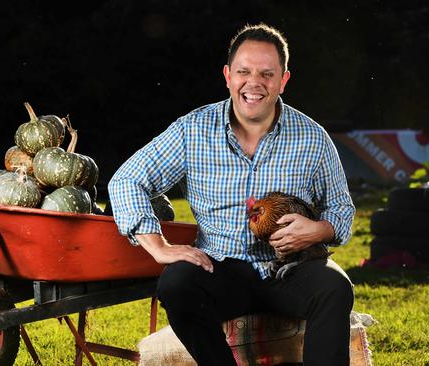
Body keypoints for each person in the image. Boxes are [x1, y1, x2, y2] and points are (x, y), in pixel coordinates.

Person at [108, 23, 356, 366]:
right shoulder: (192, 131)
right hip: (220, 268)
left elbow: (341, 207)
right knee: (176, 283)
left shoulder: (312, 137)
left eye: (267, 74)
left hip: (291, 270)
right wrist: (158, 246)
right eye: (244, 71)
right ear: (228, 76)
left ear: (283, 80)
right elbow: (126, 180)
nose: (254, 83)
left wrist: (321, 229)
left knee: (335, 287)